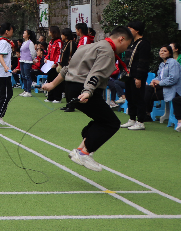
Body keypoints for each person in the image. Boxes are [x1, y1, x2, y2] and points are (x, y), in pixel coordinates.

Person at [41, 27, 133, 171]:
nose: (124, 49)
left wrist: (53, 84)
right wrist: (88, 91)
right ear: (121, 39)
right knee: (112, 123)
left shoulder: (88, 46)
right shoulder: (107, 51)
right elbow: (96, 72)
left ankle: (80, 149)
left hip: (71, 88)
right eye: (126, 45)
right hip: (84, 90)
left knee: (101, 119)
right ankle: (84, 153)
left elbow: (67, 68)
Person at [120, 21, 152, 131]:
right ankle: (132, 119)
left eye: (130, 28)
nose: (128, 31)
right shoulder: (132, 43)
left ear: (137, 30)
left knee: (139, 98)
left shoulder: (144, 43)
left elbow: (143, 62)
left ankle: (140, 121)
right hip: (129, 75)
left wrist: (139, 77)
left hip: (137, 76)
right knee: (130, 97)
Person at [149, 45, 181, 124]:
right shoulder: (162, 64)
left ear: (170, 53)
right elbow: (159, 77)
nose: (162, 52)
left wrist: (160, 83)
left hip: (173, 90)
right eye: (161, 51)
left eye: (165, 51)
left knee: (148, 92)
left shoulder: (173, 63)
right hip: (164, 88)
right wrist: (153, 81)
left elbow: (173, 78)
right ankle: (146, 113)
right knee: (147, 89)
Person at [59, 28, 78, 111]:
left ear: (66, 35)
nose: (61, 36)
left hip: (70, 67)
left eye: (62, 34)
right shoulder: (65, 43)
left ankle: (71, 106)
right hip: (64, 67)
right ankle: (68, 104)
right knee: (66, 87)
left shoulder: (72, 44)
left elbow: (71, 55)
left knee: (70, 87)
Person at [44, 26, 63, 104]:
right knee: (49, 80)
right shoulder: (51, 42)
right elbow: (49, 53)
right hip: (49, 64)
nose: (49, 32)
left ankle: (57, 98)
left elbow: (59, 53)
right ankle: (50, 97)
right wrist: (46, 58)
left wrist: (56, 63)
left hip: (55, 65)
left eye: (49, 31)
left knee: (56, 81)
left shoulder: (58, 42)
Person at [18, 30, 35, 97]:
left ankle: (28, 91)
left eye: (25, 33)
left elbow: (33, 52)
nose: (23, 34)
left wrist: (32, 59)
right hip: (22, 60)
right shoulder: (24, 43)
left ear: (28, 35)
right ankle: (25, 90)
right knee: (23, 76)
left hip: (27, 61)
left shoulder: (30, 43)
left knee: (27, 76)